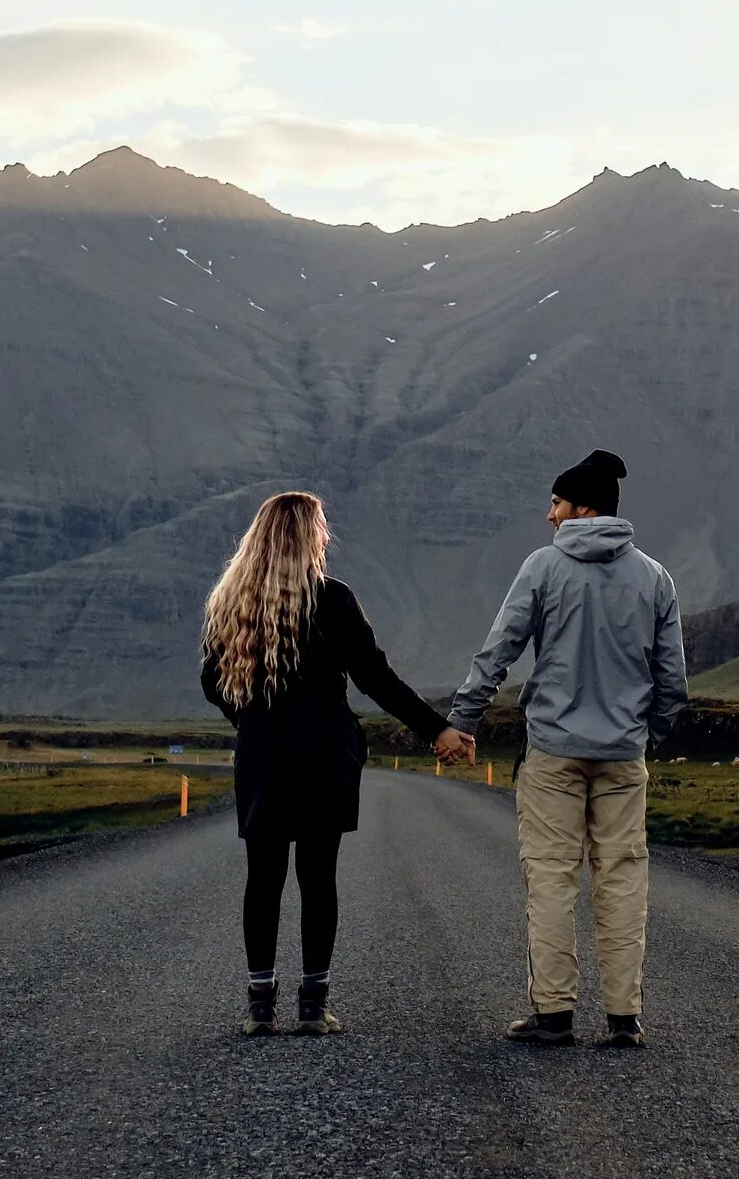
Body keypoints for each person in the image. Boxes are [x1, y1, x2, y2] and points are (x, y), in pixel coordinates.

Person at [201, 491, 475, 1036]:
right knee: (317, 877)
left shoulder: (230, 602)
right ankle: (312, 1006)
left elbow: (212, 681)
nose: (327, 535)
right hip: (324, 754)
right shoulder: (331, 599)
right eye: (322, 527)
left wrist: (251, 721)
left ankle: (260, 1009)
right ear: (308, 537)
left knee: (264, 878)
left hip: (262, 758)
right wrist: (438, 728)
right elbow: (375, 677)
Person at [446, 448, 687, 1048]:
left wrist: (464, 719)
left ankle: (554, 1015)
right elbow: (672, 682)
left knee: (552, 879)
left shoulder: (543, 568)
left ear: (581, 506)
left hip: (553, 753)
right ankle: (623, 1018)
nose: (548, 515)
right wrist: (645, 736)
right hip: (623, 757)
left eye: (555, 503)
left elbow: (498, 650)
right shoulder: (655, 578)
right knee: (623, 878)